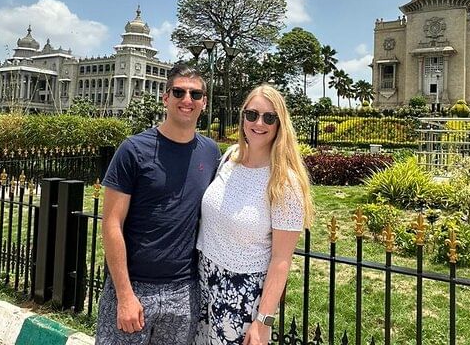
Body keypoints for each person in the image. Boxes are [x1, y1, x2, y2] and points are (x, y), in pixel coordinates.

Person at [97, 63, 221, 345]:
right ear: (165, 98)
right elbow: (112, 223)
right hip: (134, 287)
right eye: (178, 92)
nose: (187, 99)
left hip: (184, 290)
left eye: (195, 94)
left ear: (204, 102)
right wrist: (124, 294)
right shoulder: (133, 149)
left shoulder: (210, 151)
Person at [195, 84, 314, 345]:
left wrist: (263, 322)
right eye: (252, 115)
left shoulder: (284, 182)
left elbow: (281, 260)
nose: (259, 123)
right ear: (243, 117)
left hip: (242, 293)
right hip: (203, 279)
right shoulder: (230, 157)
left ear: (280, 124)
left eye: (269, 117)